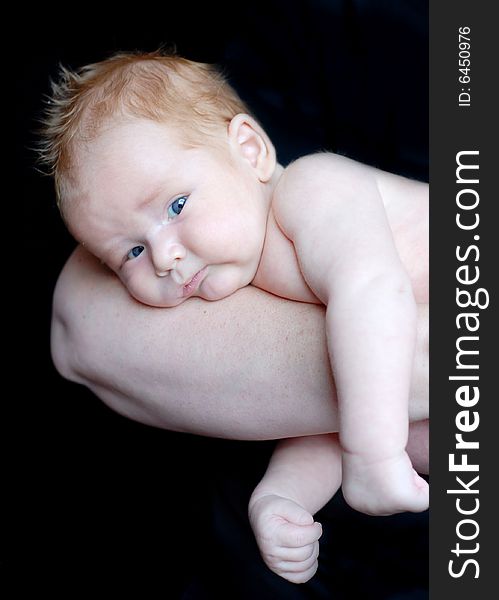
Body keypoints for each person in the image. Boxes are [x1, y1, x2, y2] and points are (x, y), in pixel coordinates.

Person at [41, 51, 429, 584]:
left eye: (176, 207)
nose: (163, 258)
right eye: (129, 252)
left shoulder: (314, 191)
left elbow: (376, 297)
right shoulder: (243, 274)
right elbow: (332, 408)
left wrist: (373, 454)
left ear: (249, 151)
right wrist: (282, 496)